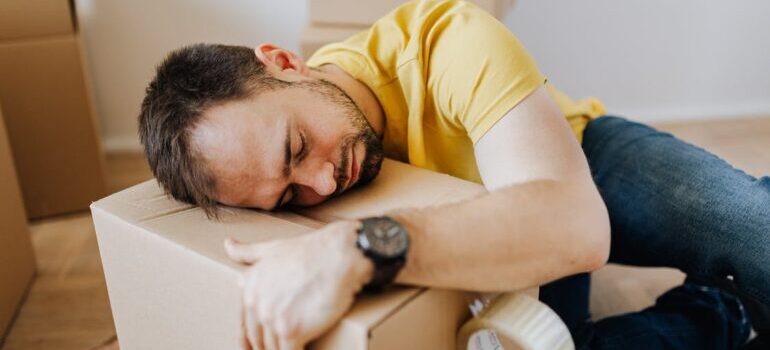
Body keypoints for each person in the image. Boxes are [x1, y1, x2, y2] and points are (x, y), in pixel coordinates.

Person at [137, 1, 768, 349]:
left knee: (750, 224)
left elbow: (574, 225)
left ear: (284, 63)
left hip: (574, 161)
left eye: (297, 147)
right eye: (288, 198)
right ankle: (718, 312)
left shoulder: (447, 40)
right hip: (494, 243)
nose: (322, 186)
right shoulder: (297, 171)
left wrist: (358, 246)